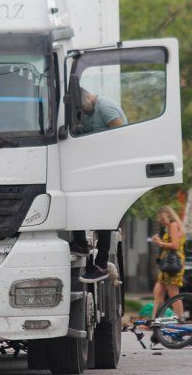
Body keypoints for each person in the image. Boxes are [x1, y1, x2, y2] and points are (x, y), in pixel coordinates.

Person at [71, 88, 129, 282]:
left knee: (104, 216)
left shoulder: (104, 107)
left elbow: (121, 133)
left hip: (111, 167)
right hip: (94, 168)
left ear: (89, 97)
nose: (82, 112)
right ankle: (80, 243)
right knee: (75, 198)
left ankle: (101, 264)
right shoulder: (84, 113)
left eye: (82, 108)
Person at [151, 206, 186, 319]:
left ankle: (180, 318)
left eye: (160, 217)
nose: (158, 220)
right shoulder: (170, 226)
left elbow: (175, 245)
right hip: (166, 264)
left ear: (165, 216)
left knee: (173, 293)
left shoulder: (173, 225)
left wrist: (160, 243)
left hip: (173, 264)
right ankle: (155, 319)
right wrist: (160, 242)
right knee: (158, 292)